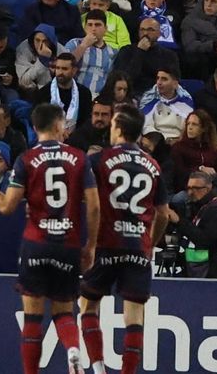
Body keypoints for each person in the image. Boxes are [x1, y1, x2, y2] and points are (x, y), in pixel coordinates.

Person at [0, 102, 98, 374]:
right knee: (64, 312)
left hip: (35, 243)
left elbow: (7, 207)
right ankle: (72, 350)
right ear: (59, 126)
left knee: (33, 317)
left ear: (34, 128)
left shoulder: (26, 159)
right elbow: (93, 205)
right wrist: (90, 245)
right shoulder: (80, 158)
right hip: (67, 245)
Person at [78, 112, 168, 374]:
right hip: (138, 246)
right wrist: (150, 242)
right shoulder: (153, 164)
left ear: (117, 128)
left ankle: (98, 369)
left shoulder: (99, 159)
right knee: (134, 317)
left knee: (88, 305)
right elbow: (162, 213)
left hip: (106, 242)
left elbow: (85, 198)